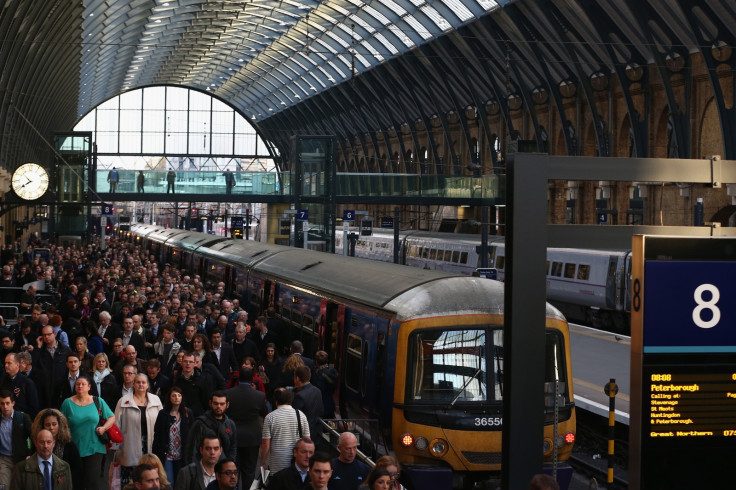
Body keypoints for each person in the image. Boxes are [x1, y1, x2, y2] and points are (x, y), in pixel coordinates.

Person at [60, 375, 116, 490]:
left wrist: (104, 428)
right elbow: (61, 424)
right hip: (74, 447)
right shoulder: (67, 403)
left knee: (92, 481)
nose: (80, 386)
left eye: (83, 384)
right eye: (77, 384)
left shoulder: (98, 401)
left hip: (94, 447)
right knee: (76, 481)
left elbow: (111, 417)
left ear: (89, 387)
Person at [114, 373, 164, 486]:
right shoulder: (123, 401)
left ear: (147, 385)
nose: (141, 384)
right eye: (138, 382)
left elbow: (162, 423)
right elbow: (116, 425)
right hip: (129, 445)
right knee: (132, 480)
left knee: (149, 477)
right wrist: (115, 447)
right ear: (133, 384)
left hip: (151, 443)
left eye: (143, 382)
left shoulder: (156, 400)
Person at [225, 367, 266, 489]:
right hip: (252, 438)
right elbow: (264, 412)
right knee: (249, 471)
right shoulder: (259, 395)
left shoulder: (229, 394)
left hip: (233, 436)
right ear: (252, 378)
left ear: (238, 377)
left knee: (232, 470)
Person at [259, 387, 309, 474]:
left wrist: (262, 462)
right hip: (296, 461)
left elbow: (266, 445)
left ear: (276, 401)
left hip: (276, 463)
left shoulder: (270, 417)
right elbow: (308, 440)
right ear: (290, 400)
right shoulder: (301, 415)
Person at [30, 408, 83, 487]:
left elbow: (77, 473)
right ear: (42, 426)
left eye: (54, 424)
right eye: (48, 425)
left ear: (59, 425)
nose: (51, 427)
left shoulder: (69, 446)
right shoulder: (37, 445)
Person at [152, 386, 194, 486]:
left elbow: (192, 434)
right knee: (169, 482)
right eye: (174, 395)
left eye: (179, 395)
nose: (176, 397)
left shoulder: (188, 413)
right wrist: (155, 455)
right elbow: (157, 434)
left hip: (182, 455)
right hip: (167, 455)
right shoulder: (163, 414)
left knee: (181, 483)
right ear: (169, 398)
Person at [184, 391, 236, 465]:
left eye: (222, 404)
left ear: (227, 405)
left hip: (222, 469)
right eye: (215, 403)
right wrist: (193, 471)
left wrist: (229, 464)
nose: (218, 406)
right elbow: (191, 450)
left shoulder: (230, 424)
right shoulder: (199, 424)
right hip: (203, 469)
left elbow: (233, 447)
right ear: (210, 403)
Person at [0, 389, 33, 486]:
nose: (5, 407)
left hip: (21, 458)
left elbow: (34, 437)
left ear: (13, 403)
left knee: (20, 485)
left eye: (7, 403)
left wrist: (31, 454)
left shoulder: (22, 418)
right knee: (4, 486)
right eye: (2, 404)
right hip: (3, 459)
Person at [1, 352, 39, 418]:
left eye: (9, 363)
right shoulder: (2, 381)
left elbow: (34, 407)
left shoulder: (27, 383)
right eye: (5, 363)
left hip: (21, 422)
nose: (6, 365)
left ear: (17, 365)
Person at [292, 365, 323, 439]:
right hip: (316, 433)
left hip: (303, 435)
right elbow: (321, 411)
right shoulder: (317, 391)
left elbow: (295, 419)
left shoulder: (299, 396)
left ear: (297, 378)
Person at [312, 351, 338, 419]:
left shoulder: (319, 375)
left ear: (316, 362)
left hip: (320, 406)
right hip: (330, 404)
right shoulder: (333, 371)